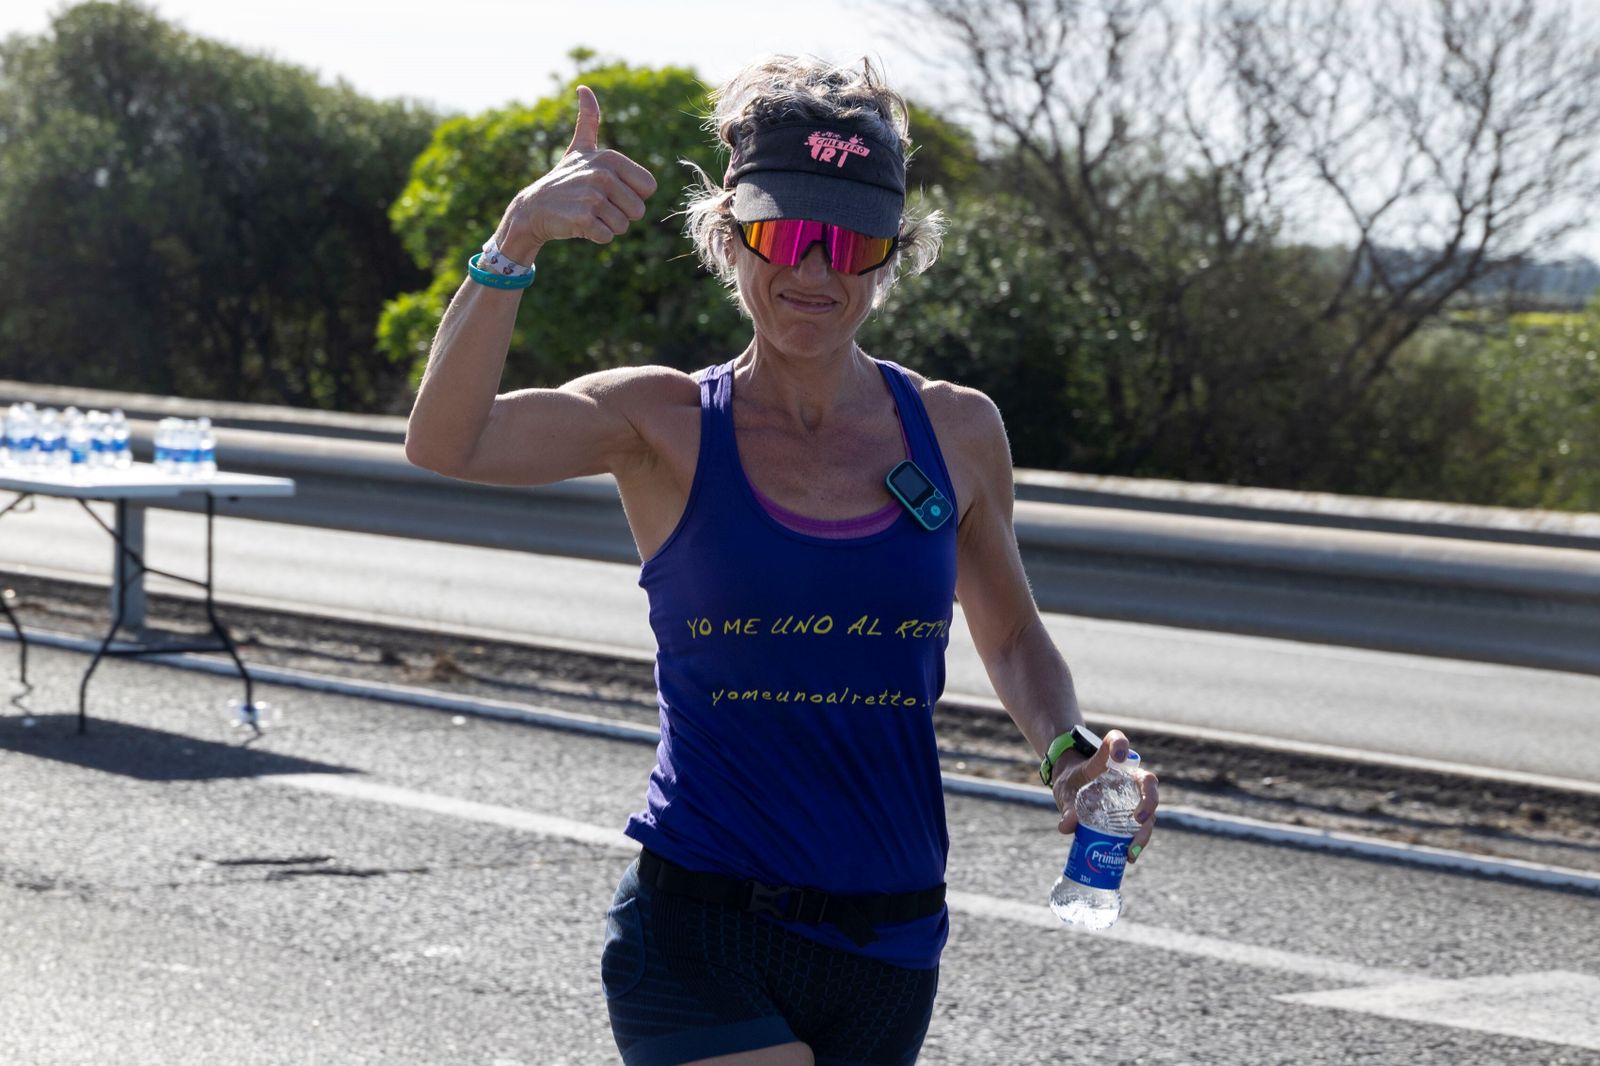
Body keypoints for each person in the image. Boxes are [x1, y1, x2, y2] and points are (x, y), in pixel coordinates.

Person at [405, 54, 1159, 1066]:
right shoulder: (661, 421)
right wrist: (516, 238)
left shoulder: (956, 430)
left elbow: (1014, 635)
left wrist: (1070, 756)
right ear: (728, 237)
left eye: (850, 244)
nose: (814, 272)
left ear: (891, 254)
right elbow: (447, 441)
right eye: (786, 234)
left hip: (892, 937)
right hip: (704, 920)